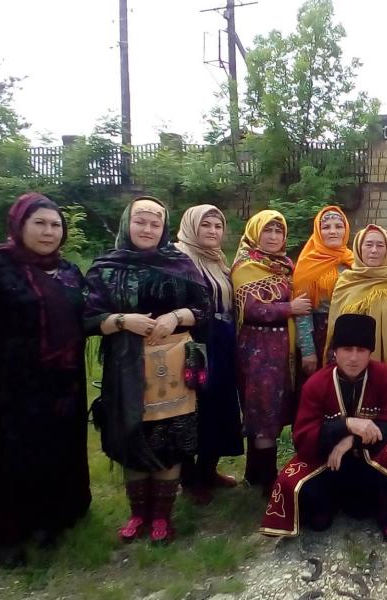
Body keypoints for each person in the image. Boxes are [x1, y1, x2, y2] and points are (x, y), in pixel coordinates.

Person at [0, 193, 90, 567]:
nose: (48, 231)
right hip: (8, 384)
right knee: (8, 456)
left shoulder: (69, 271)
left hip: (61, 382)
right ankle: (5, 535)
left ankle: (48, 521)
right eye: (39, 223)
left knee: (54, 451)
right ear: (19, 225)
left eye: (55, 225)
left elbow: (87, 316)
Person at [85, 196, 210, 544]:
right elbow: (86, 318)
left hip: (173, 364)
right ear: (127, 223)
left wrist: (176, 316)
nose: (148, 228)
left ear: (164, 228)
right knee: (130, 433)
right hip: (126, 366)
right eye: (141, 221)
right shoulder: (106, 268)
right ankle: (138, 513)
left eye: (156, 223)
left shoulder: (180, 264)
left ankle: (162, 517)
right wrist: (122, 321)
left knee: (171, 436)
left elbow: (204, 308)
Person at [259, 314, 387, 543]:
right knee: (293, 484)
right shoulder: (316, 384)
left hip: (372, 461)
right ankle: (328, 503)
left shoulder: (385, 376)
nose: (353, 357)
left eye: (361, 350)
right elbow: (303, 439)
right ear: (334, 351)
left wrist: (352, 439)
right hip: (331, 463)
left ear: (370, 352)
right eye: (346, 349)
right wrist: (345, 424)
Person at [232, 210, 311, 495]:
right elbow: (251, 309)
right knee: (262, 410)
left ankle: (253, 473)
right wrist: (290, 308)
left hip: (282, 350)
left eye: (279, 231)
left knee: (273, 408)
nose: (274, 236)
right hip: (258, 349)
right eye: (267, 230)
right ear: (255, 233)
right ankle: (267, 479)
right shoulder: (246, 266)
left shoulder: (284, 266)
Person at [174, 205, 244, 505]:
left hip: (222, 344)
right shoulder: (179, 259)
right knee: (193, 408)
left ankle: (208, 469)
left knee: (219, 406)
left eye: (218, 225)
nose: (213, 231)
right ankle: (189, 478)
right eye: (206, 225)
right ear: (192, 226)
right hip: (195, 345)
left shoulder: (217, 260)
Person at [325, 225, 387, 393]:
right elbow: (335, 331)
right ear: (359, 248)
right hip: (351, 371)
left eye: (380, 245)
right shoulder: (346, 282)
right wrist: (331, 371)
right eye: (368, 244)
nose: (374, 250)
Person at [293, 206, 354, 380]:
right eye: (326, 227)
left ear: (346, 230)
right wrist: (308, 351)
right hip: (319, 336)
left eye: (338, 226)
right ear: (318, 232)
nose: (333, 231)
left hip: (350, 336)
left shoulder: (354, 261)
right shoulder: (307, 264)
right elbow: (303, 311)